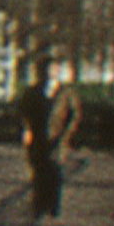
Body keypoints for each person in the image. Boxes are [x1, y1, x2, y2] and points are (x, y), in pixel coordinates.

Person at [20, 61, 78, 217]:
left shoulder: (67, 92)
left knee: (55, 171)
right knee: (39, 171)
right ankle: (39, 205)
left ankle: (53, 206)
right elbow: (24, 111)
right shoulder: (33, 91)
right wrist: (27, 130)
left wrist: (67, 133)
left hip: (58, 139)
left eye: (54, 69)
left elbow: (74, 114)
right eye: (48, 69)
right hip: (38, 137)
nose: (51, 72)